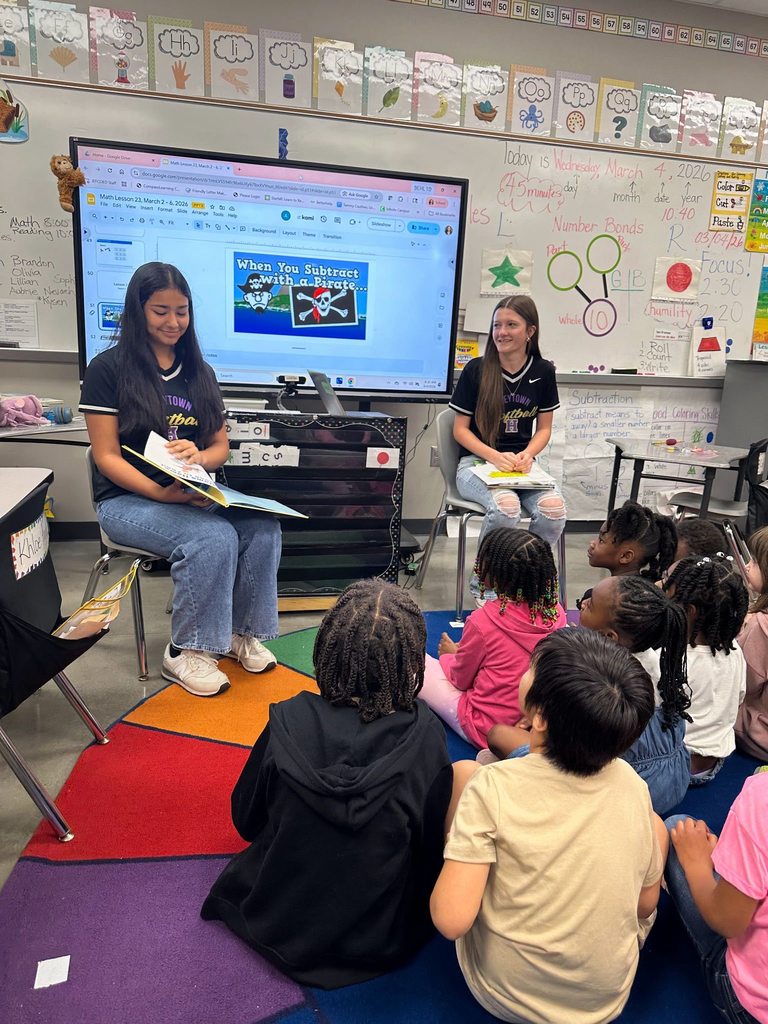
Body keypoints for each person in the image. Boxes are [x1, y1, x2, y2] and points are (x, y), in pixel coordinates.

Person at [201, 580, 453, 988]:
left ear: (327, 652)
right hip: (378, 939)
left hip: (277, 922)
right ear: (411, 662)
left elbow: (246, 821)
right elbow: (428, 846)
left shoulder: (286, 720)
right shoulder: (424, 736)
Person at [431, 628, 665, 1024]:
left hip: (504, 994)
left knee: (467, 771)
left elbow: (451, 921)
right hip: (605, 1001)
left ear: (538, 716)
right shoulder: (631, 783)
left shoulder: (492, 787)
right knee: (655, 825)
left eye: (530, 671)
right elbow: (645, 905)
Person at [79, 262, 281, 697]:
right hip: (127, 500)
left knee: (263, 527)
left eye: (182, 311)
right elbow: (106, 456)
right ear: (138, 311)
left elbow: (218, 447)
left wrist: (200, 457)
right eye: (160, 311)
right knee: (211, 539)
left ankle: (236, 634)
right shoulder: (107, 369)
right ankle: (185, 650)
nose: (173, 322)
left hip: (189, 491)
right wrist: (158, 492)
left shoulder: (198, 372)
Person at [489, 574, 691, 814]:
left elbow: (576, 745)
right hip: (673, 778)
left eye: (591, 604)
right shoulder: (656, 663)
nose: (582, 603)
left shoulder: (598, 677)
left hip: (628, 790)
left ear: (609, 637)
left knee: (497, 736)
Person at [450, 295, 566, 601]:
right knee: (506, 508)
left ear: (530, 331)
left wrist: (528, 454)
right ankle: (487, 585)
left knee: (554, 511)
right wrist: (494, 456)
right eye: (497, 325)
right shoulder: (476, 370)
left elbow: (544, 429)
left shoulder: (544, 371)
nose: (501, 332)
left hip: (521, 466)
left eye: (511, 325)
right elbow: (459, 430)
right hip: (477, 463)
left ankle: (528, 583)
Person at [420, 528, 566, 748]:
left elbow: (460, 680)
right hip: (532, 724)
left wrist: (450, 656)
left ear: (494, 574)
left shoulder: (482, 621)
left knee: (418, 663)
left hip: (483, 728)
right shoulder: (557, 613)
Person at [664, 772, 768, 1024]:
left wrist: (696, 864)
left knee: (676, 827)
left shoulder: (761, 798)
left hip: (752, 1007)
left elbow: (726, 922)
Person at [663, 555, 748, 783]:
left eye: (669, 593)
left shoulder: (669, 656)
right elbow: (739, 698)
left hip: (670, 767)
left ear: (689, 611)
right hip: (714, 763)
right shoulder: (735, 651)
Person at [587, 499, 678, 582]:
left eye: (601, 540)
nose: (592, 543)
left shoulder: (605, 595)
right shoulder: (642, 588)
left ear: (626, 556)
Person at [736, 526, 768, 760]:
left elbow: (744, 685)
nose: (747, 566)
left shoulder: (760, 626)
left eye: (755, 561)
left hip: (759, 734)